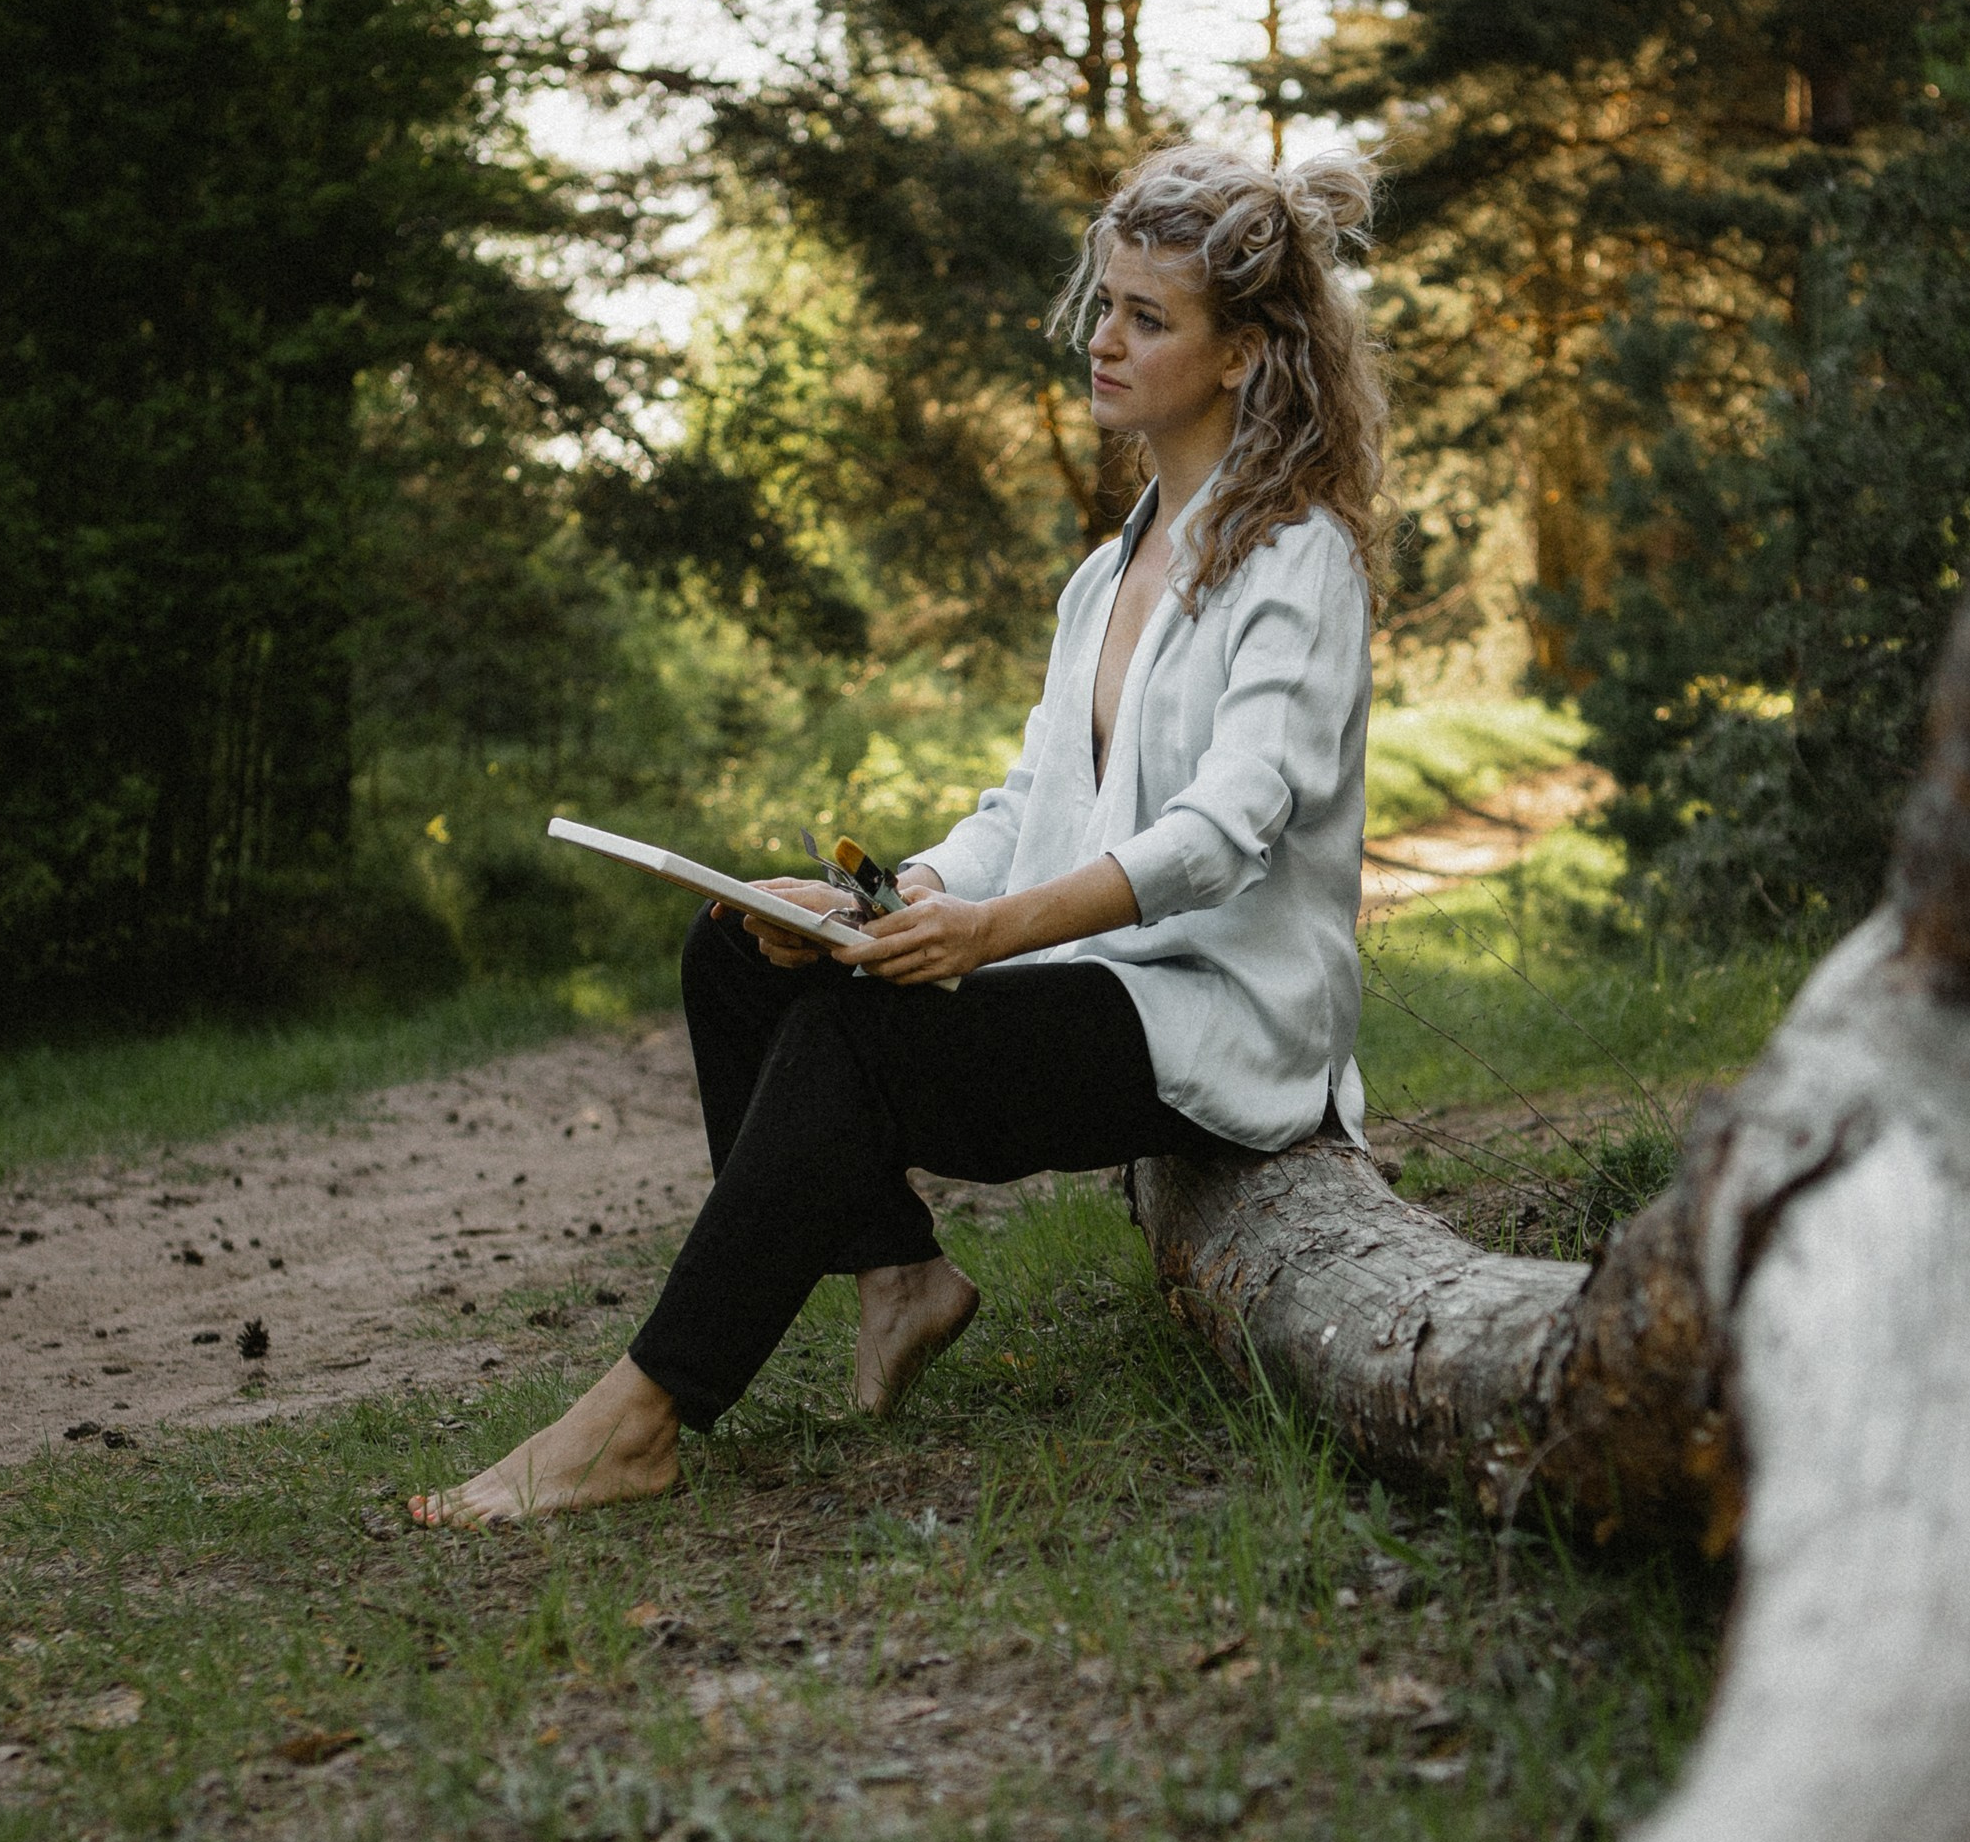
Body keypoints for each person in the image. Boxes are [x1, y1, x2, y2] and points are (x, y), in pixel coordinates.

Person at [411, 139, 1385, 1526]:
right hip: (1094, 977)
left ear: (1241, 354)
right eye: (1101, 305)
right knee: (746, 957)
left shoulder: (1299, 557)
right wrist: (883, 899)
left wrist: (988, 936)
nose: (1101, 341)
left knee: (858, 1040)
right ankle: (899, 1273)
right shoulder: (1111, 568)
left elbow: (1224, 834)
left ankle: (639, 1420)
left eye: (1146, 319)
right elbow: (1030, 809)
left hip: (1219, 1018)